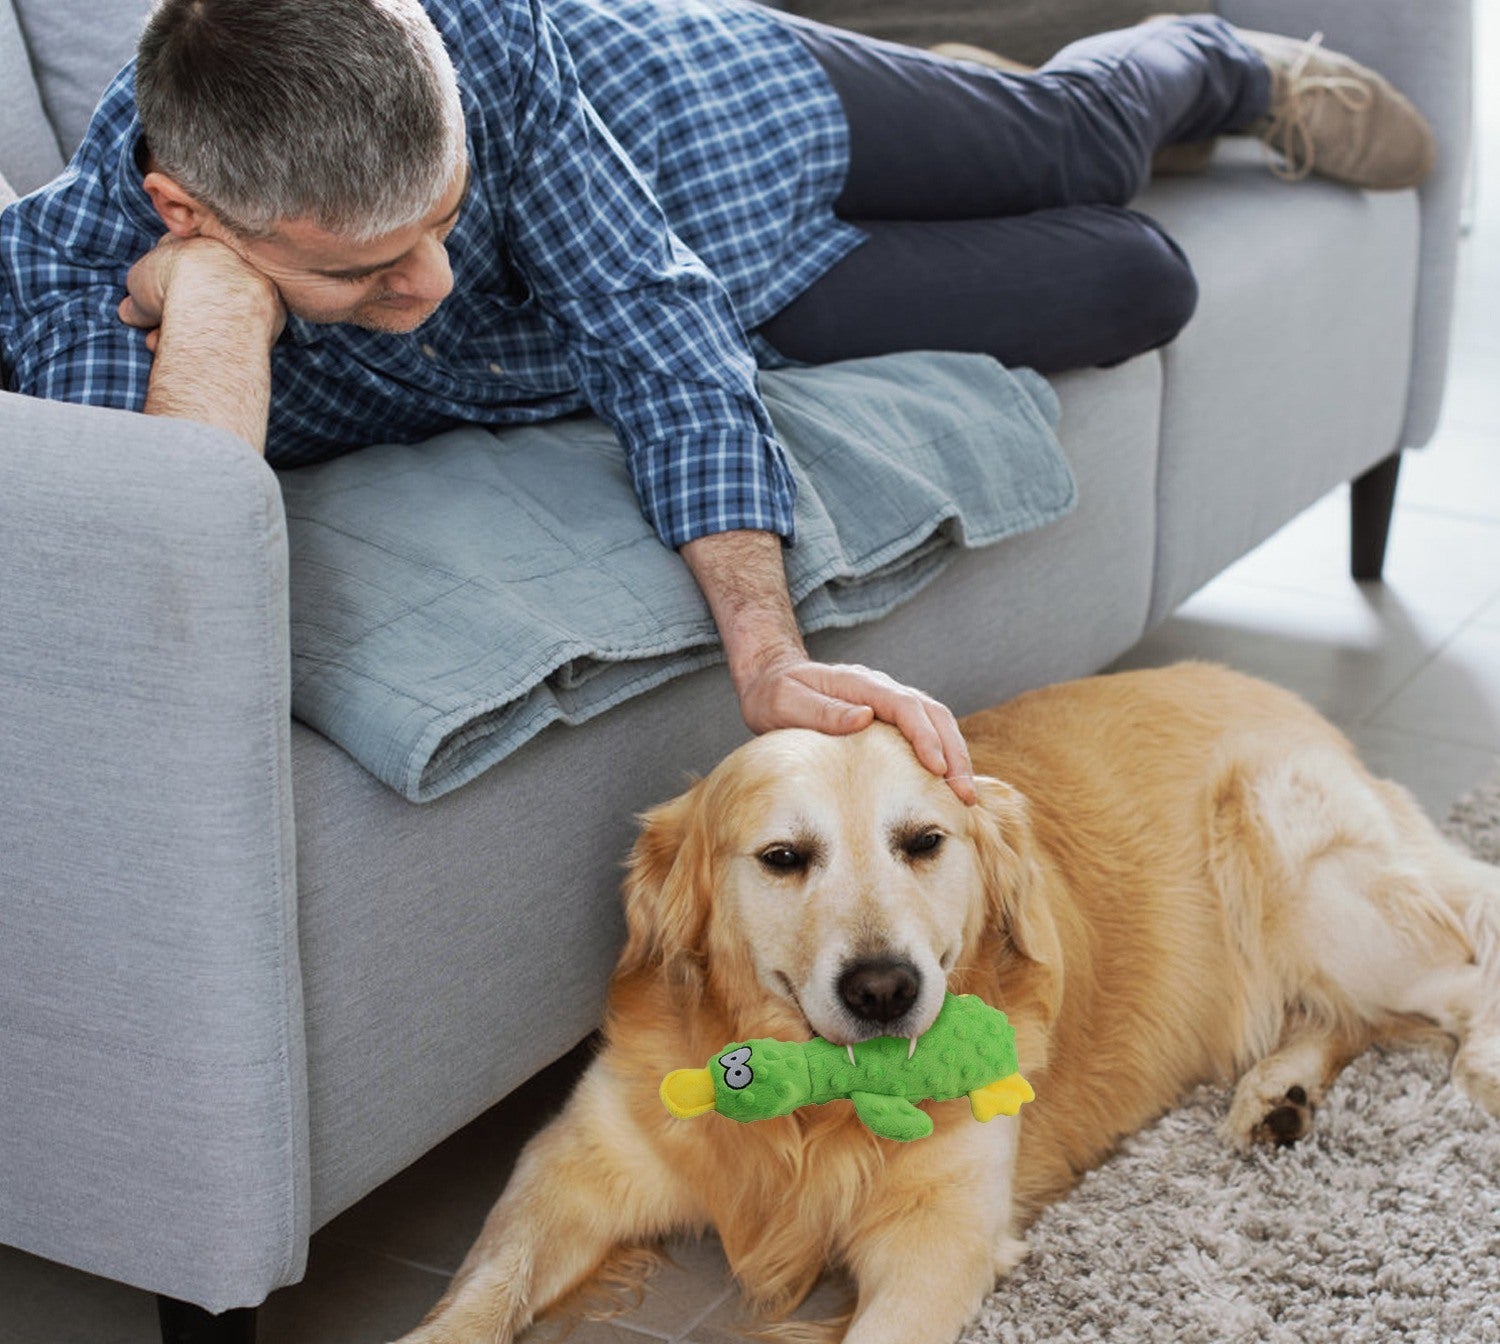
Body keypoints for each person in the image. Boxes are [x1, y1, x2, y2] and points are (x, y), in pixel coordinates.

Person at [0, 0, 1434, 803]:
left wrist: (764, 645)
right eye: (367, 270)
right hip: (766, 303)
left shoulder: (475, 38)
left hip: (717, 109)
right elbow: (168, 585)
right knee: (1137, 281)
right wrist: (217, 304)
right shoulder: (65, 285)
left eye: (443, 220)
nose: (427, 283)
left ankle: (1222, 56)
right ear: (191, 207)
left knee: (1081, 144)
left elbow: (639, 317)